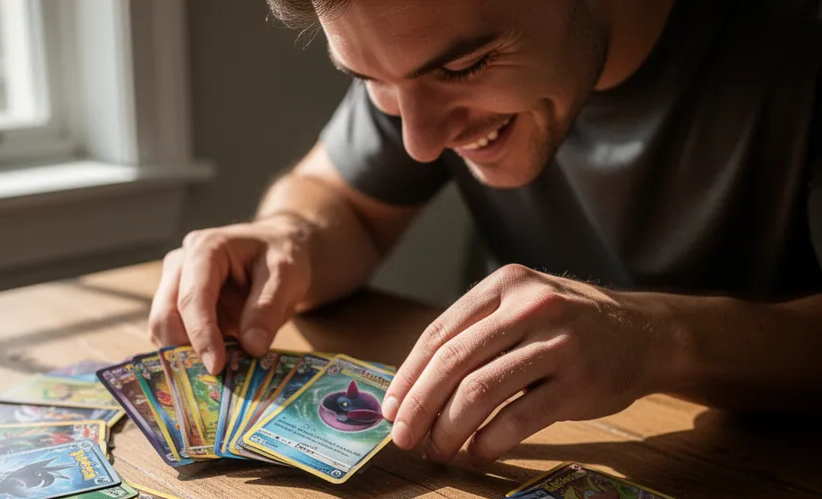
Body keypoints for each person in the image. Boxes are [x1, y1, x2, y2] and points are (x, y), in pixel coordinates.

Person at [149, 0, 822, 465]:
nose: (418, 139)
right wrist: (286, 236)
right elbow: (337, 202)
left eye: (464, 69)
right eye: (370, 80)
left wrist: (656, 339)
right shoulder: (418, 51)